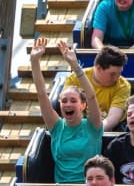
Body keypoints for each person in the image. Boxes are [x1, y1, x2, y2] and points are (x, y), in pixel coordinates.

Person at [30, 38, 103, 183]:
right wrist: (34, 61)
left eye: (73, 101)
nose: (68, 104)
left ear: (82, 105)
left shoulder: (92, 126)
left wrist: (75, 65)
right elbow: (41, 94)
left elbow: (92, 96)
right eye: (64, 101)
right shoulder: (57, 127)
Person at [63, 45, 131, 131]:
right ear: (98, 68)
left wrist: (95, 133)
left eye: (119, 73)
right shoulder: (74, 79)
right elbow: (69, 111)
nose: (117, 78)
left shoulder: (123, 86)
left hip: (110, 129)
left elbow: (112, 119)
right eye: (113, 74)